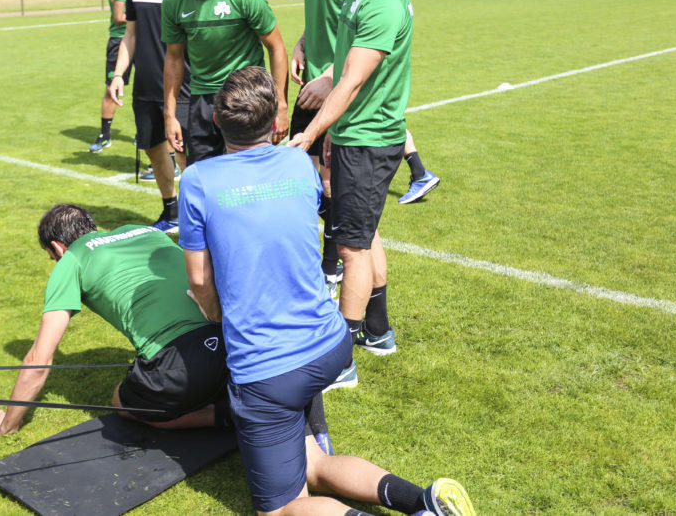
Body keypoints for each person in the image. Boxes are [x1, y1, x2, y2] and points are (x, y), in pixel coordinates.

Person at [180, 68, 474, 516]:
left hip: (270, 369)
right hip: (331, 345)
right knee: (313, 463)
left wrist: (219, 316)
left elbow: (200, 280)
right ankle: (425, 500)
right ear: (276, 123)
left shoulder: (198, 181)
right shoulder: (299, 162)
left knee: (281, 509)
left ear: (217, 121)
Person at [286, 0, 438, 303]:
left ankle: (335, 268)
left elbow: (368, 47)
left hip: (339, 95)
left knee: (340, 193)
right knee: (320, 182)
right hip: (315, 77)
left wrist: (329, 80)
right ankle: (360, 301)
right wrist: (302, 41)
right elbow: (330, 16)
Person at [288, 0, 415, 377]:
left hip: (367, 137)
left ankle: (340, 360)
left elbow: (352, 83)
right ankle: (378, 332)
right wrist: (324, 73)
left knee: (351, 249)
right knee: (365, 235)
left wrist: (309, 133)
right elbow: (345, 62)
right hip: (352, 133)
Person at [0, 204, 229, 435]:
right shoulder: (145, 231)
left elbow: (39, 360)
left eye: (52, 258)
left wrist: (7, 424)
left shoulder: (71, 259)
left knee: (121, 402)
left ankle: (226, 415)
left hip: (184, 367)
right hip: (235, 343)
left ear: (57, 248)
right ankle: (234, 397)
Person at [161, 0, 289, 164]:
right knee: (204, 177)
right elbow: (174, 58)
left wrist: (281, 105)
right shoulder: (173, 0)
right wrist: (169, 115)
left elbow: (276, 47)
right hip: (202, 99)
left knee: (249, 176)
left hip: (248, 97)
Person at [107, 0, 189, 233]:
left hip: (183, 88)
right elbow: (130, 35)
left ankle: (197, 218)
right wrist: (118, 75)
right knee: (155, 150)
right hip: (145, 85)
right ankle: (170, 211)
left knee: (185, 156)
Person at [88, 0, 154, 153]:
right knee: (117, 87)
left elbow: (118, 14)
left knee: (133, 89)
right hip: (124, 37)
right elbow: (118, 15)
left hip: (136, 38)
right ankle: (106, 134)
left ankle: (141, 134)